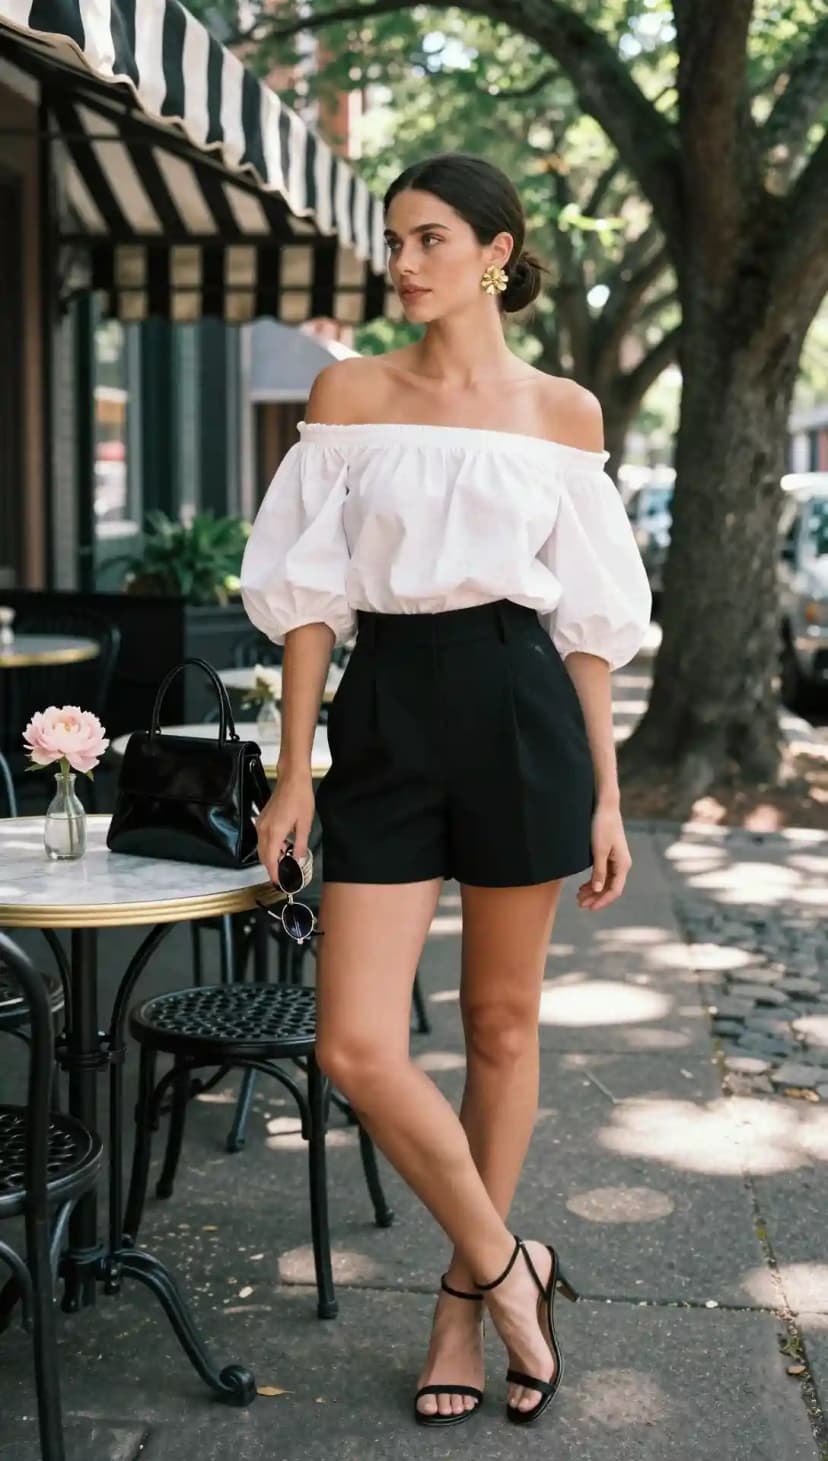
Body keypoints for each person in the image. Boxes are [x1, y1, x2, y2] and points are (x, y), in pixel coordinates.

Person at [239, 152, 652, 1430]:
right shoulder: (349, 394)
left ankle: (460, 1310)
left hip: (523, 708)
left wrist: (607, 793)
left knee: (501, 1027)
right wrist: (296, 767)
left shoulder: (565, 413)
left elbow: (587, 621)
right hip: (386, 711)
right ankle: (505, 1255)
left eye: (428, 240)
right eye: (396, 241)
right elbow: (308, 599)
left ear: (496, 251)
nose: (403, 264)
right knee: (355, 1041)